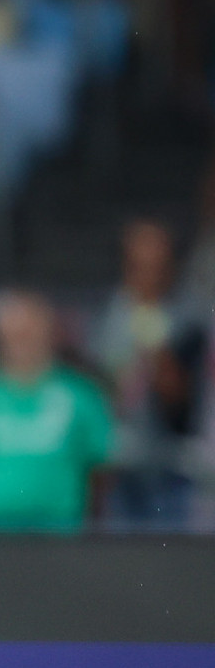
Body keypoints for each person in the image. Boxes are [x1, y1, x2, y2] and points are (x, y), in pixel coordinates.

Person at [0, 291, 114, 533]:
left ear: (49, 334)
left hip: (63, 536)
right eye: (12, 335)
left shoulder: (81, 394)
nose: (20, 344)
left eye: (28, 334)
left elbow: (101, 470)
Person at [93, 219, 206, 528]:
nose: (146, 275)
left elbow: (179, 398)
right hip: (120, 468)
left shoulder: (188, 317)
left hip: (168, 467)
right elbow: (101, 388)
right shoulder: (110, 312)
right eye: (137, 265)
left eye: (155, 265)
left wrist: (152, 344)